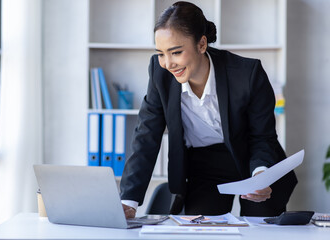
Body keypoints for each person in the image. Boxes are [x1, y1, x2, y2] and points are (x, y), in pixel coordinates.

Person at [120, 1, 297, 218]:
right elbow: (146, 135)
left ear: (202, 44)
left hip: (253, 159)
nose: (168, 63)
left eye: (176, 52)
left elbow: (262, 137)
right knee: (200, 228)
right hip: (204, 166)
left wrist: (261, 175)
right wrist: (129, 201)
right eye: (161, 53)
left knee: (258, 228)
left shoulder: (247, 74)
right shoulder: (160, 73)